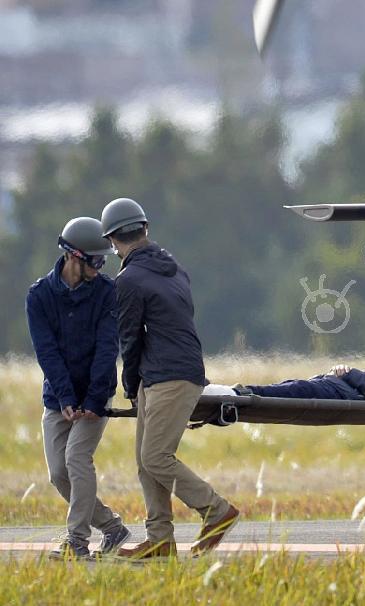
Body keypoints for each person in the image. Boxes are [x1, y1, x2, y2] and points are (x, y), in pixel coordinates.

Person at [100, 197, 239, 561]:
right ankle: (159, 540)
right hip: (175, 369)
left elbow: (129, 338)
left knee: (156, 457)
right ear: (144, 229)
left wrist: (129, 386)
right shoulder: (174, 267)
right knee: (146, 461)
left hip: (168, 376)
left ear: (114, 241)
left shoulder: (128, 279)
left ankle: (216, 510)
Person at [26, 217, 131, 560]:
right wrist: (66, 398)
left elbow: (107, 348)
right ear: (74, 257)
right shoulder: (39, 297)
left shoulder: (107, 293)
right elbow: (47, 353)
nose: (101, 268)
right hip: (58, 396)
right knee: (58, 473)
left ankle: (77, 542)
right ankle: (112, 527)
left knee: (76, 458)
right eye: (96, 261)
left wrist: (93, 398)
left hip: (96, 394)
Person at [204, 364, 365, 402]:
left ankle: (233, 393)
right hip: (337, 384)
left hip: (341, 390)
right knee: (290, 386)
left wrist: (350, 373)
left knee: (292, 389)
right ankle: (232, 392)